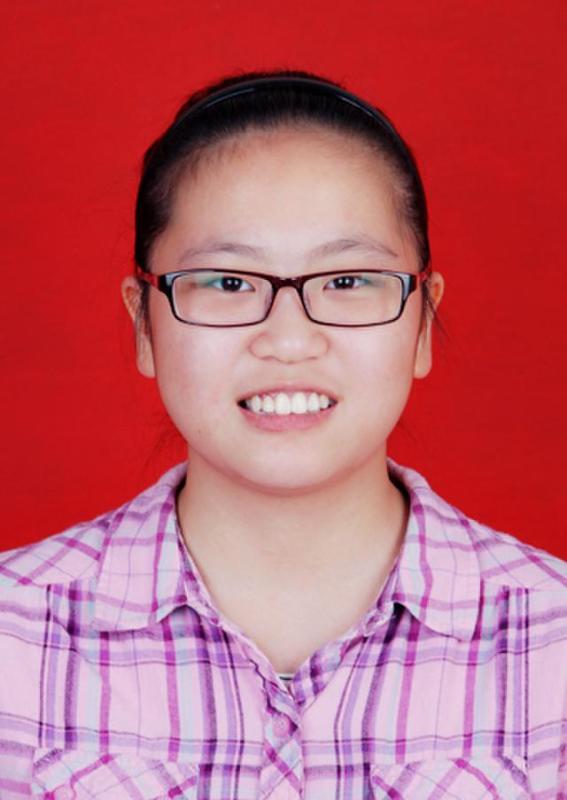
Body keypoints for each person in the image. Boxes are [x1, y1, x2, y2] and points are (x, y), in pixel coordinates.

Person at [0, 70, 565, 800]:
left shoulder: (552, 639)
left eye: (348, 281)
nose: (289, 339)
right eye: (228, 283)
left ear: (423, 320)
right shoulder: (14, 633)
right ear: (143, 323)